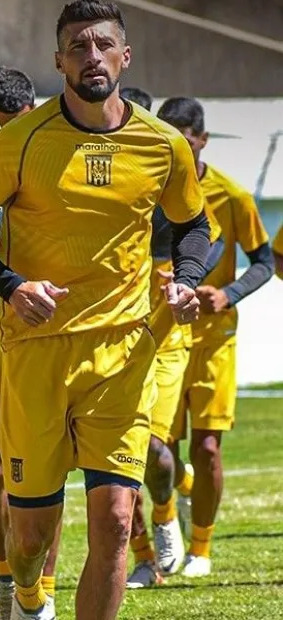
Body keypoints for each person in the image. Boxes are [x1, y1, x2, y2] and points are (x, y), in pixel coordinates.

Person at [0, 0, 210, 620]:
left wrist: (187, 279)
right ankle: (29, 597)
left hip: (122, 354)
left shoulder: (163, 144)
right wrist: (11, 285)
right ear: (58, 59)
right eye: (78, 47)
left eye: (102, 45)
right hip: (36, 353)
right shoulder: (20, 141)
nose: (92, 57)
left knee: (116, 522)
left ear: (125, 54)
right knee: (30, 540)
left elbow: (194, 225)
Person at [157, 97, 273, 578]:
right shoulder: (146, 189)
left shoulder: (232, 195)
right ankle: (167, 518)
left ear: (202, 140)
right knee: (157, 448)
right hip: (161, 334)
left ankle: (200, 548)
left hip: (213, 338)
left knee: (207, 448)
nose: (178, 152)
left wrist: (228, 294)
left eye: (186, 142)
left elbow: (265, 262)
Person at [0, 66, 62, 620]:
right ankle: (8, 581)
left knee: (42, 473)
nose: (5, 134)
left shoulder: (54, 148)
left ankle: (41, 591)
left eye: (14, 124)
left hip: (41, 330)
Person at [119, 87, 217, 590]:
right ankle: (143, 559)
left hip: (166, 340)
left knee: (155, 447)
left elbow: (208, 239)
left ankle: (164, 513)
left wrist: (185, 276)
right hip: (107, 336)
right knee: (117, 459)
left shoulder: (172, 179)